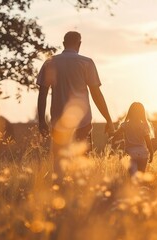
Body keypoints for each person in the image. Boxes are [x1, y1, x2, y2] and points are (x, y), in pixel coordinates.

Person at [37, 31, 114, 177]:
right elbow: (96, 94)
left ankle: (60, 192)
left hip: (59, 122)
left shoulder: (50, 62)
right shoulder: (86, 62)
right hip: (83, 122)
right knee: (83, 162)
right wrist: (108, 119)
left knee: (59, 163)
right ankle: (80, 193)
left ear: (64, 44)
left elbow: (42, 93)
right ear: (79, 44)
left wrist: (41, 120)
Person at [113, 102, 154, 176]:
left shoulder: (125, 125)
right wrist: (151, 153)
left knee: (133, 178)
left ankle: (134, 187)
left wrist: (112, 134)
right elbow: (148, 142)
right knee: (141, 176)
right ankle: (141, 187)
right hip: (143, 154)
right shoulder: (144, 126)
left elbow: (115, 135)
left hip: (131, 154)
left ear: (130, 112)